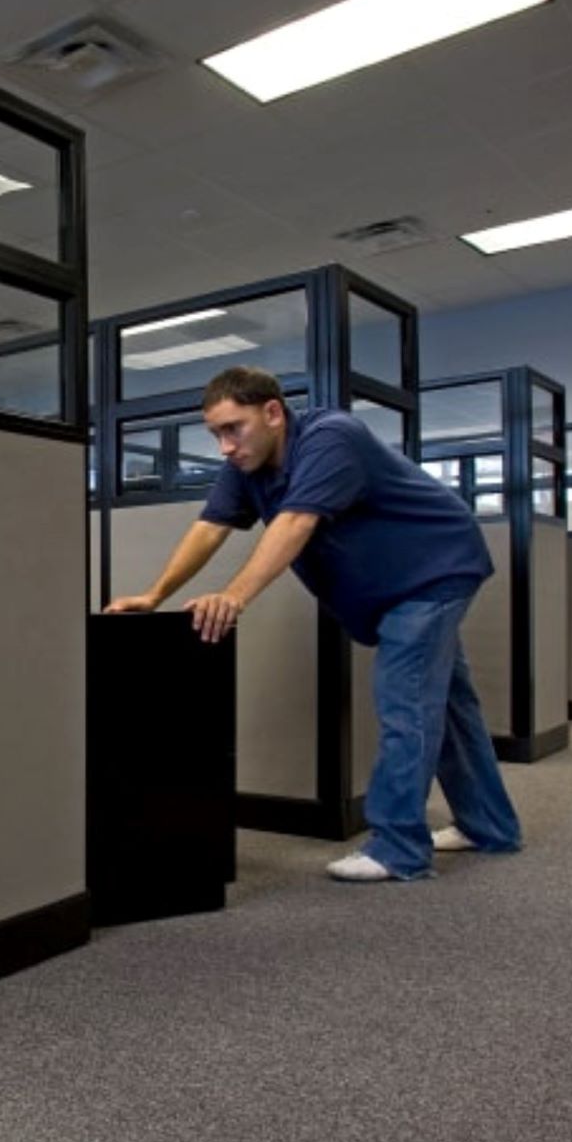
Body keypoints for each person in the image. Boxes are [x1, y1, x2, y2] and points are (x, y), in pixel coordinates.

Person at [105, 365, 521, 882]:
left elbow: (296, 522)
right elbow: (210, 529)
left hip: (434, 571)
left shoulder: (331, 438)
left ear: (273, 413)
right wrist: (155, 594)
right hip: (398, 586)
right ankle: (490, 826)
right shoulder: (246, 465)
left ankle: (398, 849)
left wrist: (233, 597)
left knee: (404, 698)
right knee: (450, 706)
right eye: (215, 434)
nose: (225, 447)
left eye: (233, 428)